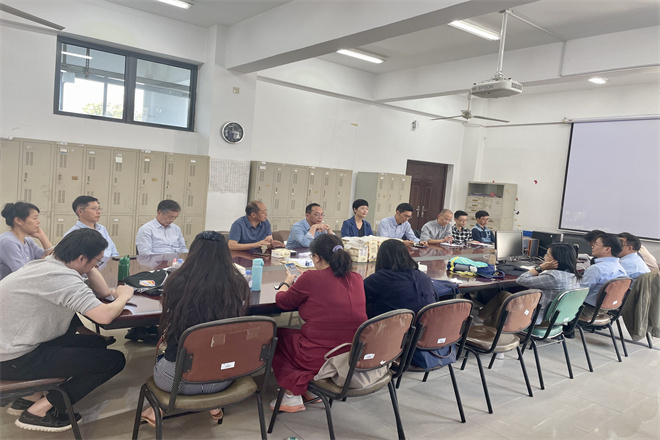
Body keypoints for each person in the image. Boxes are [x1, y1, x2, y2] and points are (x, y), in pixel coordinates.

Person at [0, 228, 133, 432]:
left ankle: (29, 396)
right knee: (114, 360)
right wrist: (124, 296)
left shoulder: (46, 265)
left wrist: (89, 265)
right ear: (81, 258)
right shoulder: (61, 278)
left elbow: (103, 291)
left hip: (16, 344)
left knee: (97, 343)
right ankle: (39, 411)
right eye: (96, 261)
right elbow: (104, 316)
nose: (96, 266)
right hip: (12, 358)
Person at [140, 231, 250, 426]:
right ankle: (212, 403)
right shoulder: (238, 283)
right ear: (225, 254)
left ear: (193, 252)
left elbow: (169, 322)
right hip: (222, 378)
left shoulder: (177, 281)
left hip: (174, 382)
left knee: (165, 349)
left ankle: (160, 406)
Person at [270, 234, 367, 412]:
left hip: (319, 356)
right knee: (305, 338)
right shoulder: (356, 278)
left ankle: (291, 394)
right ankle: (311, 390)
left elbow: (283, 302)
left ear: (316, 257)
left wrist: (287, 283)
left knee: (277, 337)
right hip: (351, 354)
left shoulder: (311, 278)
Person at [479, 243, 582, 326]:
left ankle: (480, 321)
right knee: (511, 297)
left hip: (538, 319)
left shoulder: (553, 277)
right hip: (557, 319)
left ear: (555, 261)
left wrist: (540, 267)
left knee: (503, 295)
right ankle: (486, 319)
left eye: (547, 255)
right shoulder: (574, 276)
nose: (544, 257)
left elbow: (521, 280)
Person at [363, 239, 436, 318]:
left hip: (394, 324)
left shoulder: (380, 278)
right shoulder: (424, 277)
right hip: (427, 323)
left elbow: (359, 292)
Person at [0, 202, 54, 280]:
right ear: (18, 220)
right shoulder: (7, 242)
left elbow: (51, 258)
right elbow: (22, 273)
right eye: (35, 218)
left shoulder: (28, 241)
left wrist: (42, 237)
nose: (38, 222)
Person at [581, 233, 627, 306]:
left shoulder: (597, 269)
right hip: (606, 308)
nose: (592, 246)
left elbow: (578, 291)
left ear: (607, 249)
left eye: (596, 244)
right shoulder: (621, 268)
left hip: (587, 308)